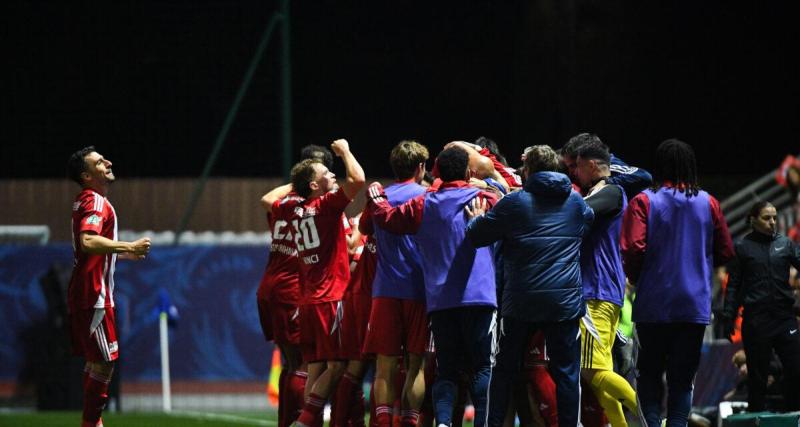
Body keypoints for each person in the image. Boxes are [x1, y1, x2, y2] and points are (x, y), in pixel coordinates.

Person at [366, 146, 499, 427]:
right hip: (479, 298)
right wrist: (491, 181)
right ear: (468, 172)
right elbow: (514, 208)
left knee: (446, 371)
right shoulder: (485, 198)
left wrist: (376, 196)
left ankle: (443, 423)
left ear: (436, 170)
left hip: (440, 301)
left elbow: (386, 218)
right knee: (482, 368)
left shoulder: (424, 203)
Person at [465, 144, 593, 427]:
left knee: (504, 370)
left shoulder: (515, 203)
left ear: (529, 171)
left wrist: (475, 221)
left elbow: (478, 236)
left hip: (520, 302)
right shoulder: (575, 203)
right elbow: (588, 222)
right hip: (564, 304)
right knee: (567, 374)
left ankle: (494, 424)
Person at [621, 139, 734, 427]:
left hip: (652, 306)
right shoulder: (708, 202)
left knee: (649, 377)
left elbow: (633, 248)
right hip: (692, 306)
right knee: (682, 381)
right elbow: (726, 251)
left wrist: (637, 279)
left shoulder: (644, 201)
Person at [66, 146, 151, 427]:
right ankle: (92, 422)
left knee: (95, 360)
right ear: (87, 175)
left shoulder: (84, 199)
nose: (108, 162)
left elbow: (91, 248)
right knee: (105, 361)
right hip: (94, 295)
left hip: (86, 292)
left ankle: (92, 422)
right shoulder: (95, 202)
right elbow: (88, 241)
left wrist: (124, 254)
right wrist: (130, 245)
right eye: (100, 162)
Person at [291, 139, 366, 427]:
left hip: (308, 300)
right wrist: (346, 150)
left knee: (315, 368)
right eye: (326, 173)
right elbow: (358, 178)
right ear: (314, 186)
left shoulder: (295, 211)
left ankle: (307, 420)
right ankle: (305, 422)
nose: (332, 175)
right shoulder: (326, 206)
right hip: (330, 298)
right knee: (339, 366)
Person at [361, 141, 430, 427]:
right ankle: (410, 423)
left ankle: (383, 423)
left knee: (384, 368)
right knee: (416, 366)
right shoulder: (429, 196)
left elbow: (365, 229)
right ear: (420, 168)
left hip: (385, 291)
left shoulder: (381, 197)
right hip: (420, 292)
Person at [572, 141, 638, 426]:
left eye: (576, 166)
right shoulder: (603, 192)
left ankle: (651, 417)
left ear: (591, 164)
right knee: (599, 373)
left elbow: (577, 212)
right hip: (603, 290)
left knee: (590, 371)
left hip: (596, 291)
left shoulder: (611, 192)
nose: (574, 173)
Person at [721, 201, 800, 412]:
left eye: (774, 217)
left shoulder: (786, 244)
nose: (772, 222)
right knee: (757, 378)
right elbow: (733, 285)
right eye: (767, 218)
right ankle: (756, 418)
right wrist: (728, 316)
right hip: (757, 320)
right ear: (753, 220)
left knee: (796, 370)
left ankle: (794, 417)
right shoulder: (742, 247)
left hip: (785, 318)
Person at [258, 183, 306, 427]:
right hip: (291, 291)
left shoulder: (282, 208)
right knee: (303, 362)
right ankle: (301, 421)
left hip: (271, 288)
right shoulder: (311, 209)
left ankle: (286, 422)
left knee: (290, 362)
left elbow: (267, 198)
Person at [560, 133, 652, 200]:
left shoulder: (608, 164)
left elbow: (644, 176)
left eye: (573, 166)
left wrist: (606, 181)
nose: (570, 172)